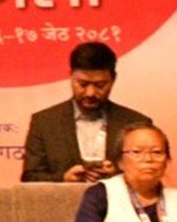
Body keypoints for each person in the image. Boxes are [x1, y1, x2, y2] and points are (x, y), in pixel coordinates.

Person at [21, 41, 152, 183]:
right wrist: (63, 179)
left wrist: (118, 177)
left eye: (100, 85)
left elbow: (150, 175)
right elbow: (30, 177)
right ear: (70, 76)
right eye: (82, 84)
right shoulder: (44, 122)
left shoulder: (137, 124)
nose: (90, 93)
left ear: (113, 79)